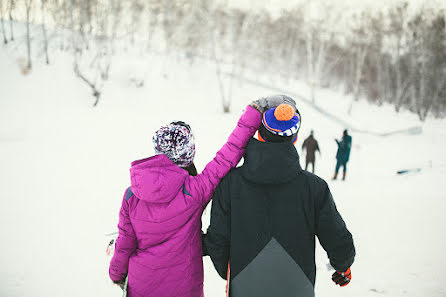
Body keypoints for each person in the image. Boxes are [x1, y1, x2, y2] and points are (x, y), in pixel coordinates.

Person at [108, 97, 290, 297]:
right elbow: (230, 152)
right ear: (188, 154)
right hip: (184, 288)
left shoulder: (131, 195)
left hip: (140, 285)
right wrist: (255, 110)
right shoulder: (195, 191)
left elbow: (125, 244)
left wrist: (116, 274)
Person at [204, 101, 355, 297]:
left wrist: (234, 272)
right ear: (295, 138)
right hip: (297, 286)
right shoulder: (314, 187)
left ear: (259, 133)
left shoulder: (230, 184)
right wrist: (342, 266)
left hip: (244, 285)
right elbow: (337, 239)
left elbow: (217, 239)